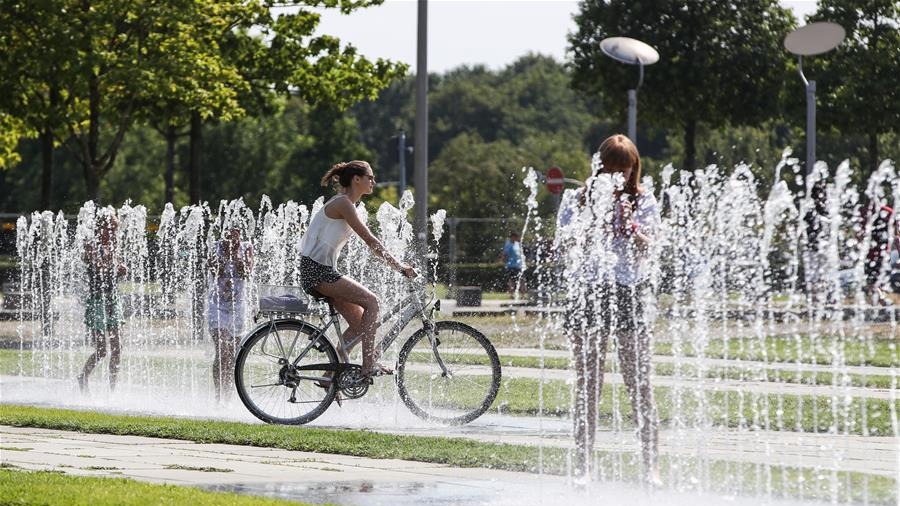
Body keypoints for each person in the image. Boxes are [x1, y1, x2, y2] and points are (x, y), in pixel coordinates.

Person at [557, 134, 661, 485]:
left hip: (628, 290)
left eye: (625, 170)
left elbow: (651, 247)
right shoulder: (577, 198)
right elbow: (564, 240)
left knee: (639, 384)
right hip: (589, 291)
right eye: (612, 169)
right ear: (600, 167)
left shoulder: (644, 200)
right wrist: (594, 222)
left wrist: (629, 226)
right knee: (589, 385)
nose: (619, 178)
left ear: (634, 169)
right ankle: (584, 466)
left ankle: (651, 467)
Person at [299, 161, 417, 378]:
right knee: (372, 302)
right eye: (370, 177)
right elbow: (370, 240)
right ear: (356, 179)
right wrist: (399, 266)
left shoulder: (347, 205)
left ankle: (329, 378)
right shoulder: (343, 203)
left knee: (359, 325)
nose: (373, 181)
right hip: (317, 271)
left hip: (319, 270)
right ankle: (368, 364)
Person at [77, 212, 126, 393]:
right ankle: (83, 376)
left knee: (118, 347)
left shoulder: (114, 246)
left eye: (115, 229)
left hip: (113, 299)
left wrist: (122, 268)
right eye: (111, 228)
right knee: (102, 349)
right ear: (101, 228)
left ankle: (112, 391)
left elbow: (114, 268)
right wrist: (114, 264)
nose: (114, 232)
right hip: (97, 302)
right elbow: (99, 266)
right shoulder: (91, 246)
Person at [207, 224, 253, 401]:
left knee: (233, 355)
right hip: (216, 306)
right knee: (222, 350)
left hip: (237, 307)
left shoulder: (247, 247)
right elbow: (214, 272)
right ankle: (219, 394)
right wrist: (227, 255)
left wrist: (237, 256)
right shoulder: (215, 246)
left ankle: (229, 396)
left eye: (237, 235)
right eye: (229, 235)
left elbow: (247, 273)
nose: (233, 239)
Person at [864, 204, 894, 306]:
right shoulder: (889, 212)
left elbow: (861, 233)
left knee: (873, 281)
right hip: (883, 253)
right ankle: (880, 300)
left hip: (872, 254)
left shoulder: (867, 211)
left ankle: (880, 300)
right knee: (876, 280)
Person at [501, 232, 526, 296]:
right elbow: (505, 254)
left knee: (522, 280)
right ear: (512, 237)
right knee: (512, 280)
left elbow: (520, 254)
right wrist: (504, 262)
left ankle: (522, 294)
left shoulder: (517, 244)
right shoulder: (508, 245)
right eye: (515, 237)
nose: (517, 238)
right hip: (511, 266)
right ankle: (511, 294)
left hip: (518, 266)